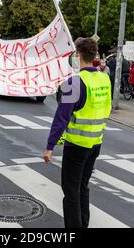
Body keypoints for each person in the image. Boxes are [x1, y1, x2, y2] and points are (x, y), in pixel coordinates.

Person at [43, 37, 111, 228]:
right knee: (82, 187)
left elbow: (61, 117)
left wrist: (49, 147)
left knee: (71, 191)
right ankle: (83, 224)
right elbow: (107, 110)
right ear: (95, 55)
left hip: (76, 146)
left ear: (78, 55)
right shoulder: (105, 78)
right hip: (96, 143)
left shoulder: (74, 82)